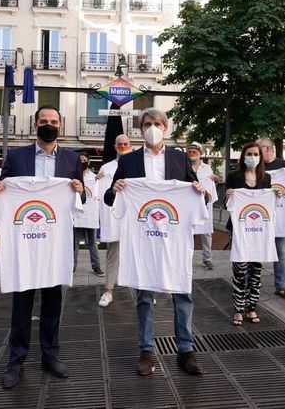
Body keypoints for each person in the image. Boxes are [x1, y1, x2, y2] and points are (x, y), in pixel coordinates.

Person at [104, 108, 206, 376]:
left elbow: (196, 193)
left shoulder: (179, 158)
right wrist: (114, 191)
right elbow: (109, 198)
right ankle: (146, 350)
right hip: (144, 239)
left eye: (157, 123)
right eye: (147, 124)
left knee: (183, 293)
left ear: (166, 127)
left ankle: (186, 350)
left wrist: (199, 191)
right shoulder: (128, 161)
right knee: (144, 296)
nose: (152, 127)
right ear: (140, 130)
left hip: (174, 238)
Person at [0, 104, 85, 389]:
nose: (48, 125)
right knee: (21, 304)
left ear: (60, 125)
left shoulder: (72, 159)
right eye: (43, 121)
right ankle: (15, 361)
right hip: (24, 244)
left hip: (54, 244)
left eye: (53, 121)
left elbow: (81, 199)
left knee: (53, 304)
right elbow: (4, 191)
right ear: (35, 125)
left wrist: (82, 190)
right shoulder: (16, 157)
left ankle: (50, 356)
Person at [224, 142, 278, 325]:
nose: (253, 157)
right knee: (239, 269)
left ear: (260, 157)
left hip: (259, 232)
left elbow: (268, 203)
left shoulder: (266, 178)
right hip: (239, 230)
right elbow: (227, 205)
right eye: (249, 153)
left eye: (256, 154)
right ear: (243, 156)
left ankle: (252, 307)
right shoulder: (233, 177)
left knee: (256, 270)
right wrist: (229, 196)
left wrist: (275, 196)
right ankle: (238, 309)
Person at [256, 137, 285, 300]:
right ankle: (253, 285)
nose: (256, 151)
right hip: (261, 217)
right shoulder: (256, 166)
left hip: (280, 218)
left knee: (280, 252)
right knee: (256, 252)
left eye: (259, 148)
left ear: (268, 148)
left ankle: (280, 286)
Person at [96, 134, 131, 307]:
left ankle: (144, 291)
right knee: (112, 255)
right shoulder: (106, 168)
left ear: (130, 145)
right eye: (119, 144)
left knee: (138, 255)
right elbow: (102, 195)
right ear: (114, 146)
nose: (122, 146)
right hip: (114, 217)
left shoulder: (137, 165)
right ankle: (108, 291)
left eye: (125, 144)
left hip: (133, 219)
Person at [187, 142, 218, 270]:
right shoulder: (185, 167)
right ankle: (187, 258)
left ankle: (207, 259)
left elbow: (211, 184)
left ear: (200, 154)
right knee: (188, 232)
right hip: (189, 204)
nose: (192, 154)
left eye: (195, 152)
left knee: (206, 232)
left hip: (204, 203)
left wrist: (215, 180)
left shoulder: (207, 168)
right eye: (190, 152)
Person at [73, 151, 104, 276]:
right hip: (77, 215)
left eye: (84, 160)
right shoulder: (73, 178)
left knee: (92, 242)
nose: (82, 162)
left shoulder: (95, 178)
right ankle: (72, 267)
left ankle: (96, 266)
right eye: (80, 160)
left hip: (90, 215)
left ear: (89, 162)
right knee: (74, 243)